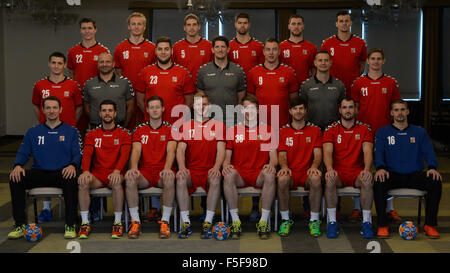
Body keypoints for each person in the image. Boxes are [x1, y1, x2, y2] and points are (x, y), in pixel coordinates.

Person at [8, 96, 81, 240]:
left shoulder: (71, 131)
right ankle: (20, 224)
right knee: (15, 179)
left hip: (62, 173)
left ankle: (70, 225)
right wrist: (17, 165)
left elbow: (78, 154)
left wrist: (73, 165)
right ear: (43, 110)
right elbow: (23, 152)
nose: (52, 111)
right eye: (48, 108)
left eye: (55, 107)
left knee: (72, 178)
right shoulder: (33, 132)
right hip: (40, 172)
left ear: (60, 110)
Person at [374, 100, 443, 238]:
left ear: (408, 112)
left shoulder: (419, 132)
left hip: (414, 175)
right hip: (392, 175)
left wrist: (432, 167)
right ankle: (382, 225)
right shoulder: (383, 132)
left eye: (402, 109)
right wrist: (380, 168)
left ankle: (430, 225)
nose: (400, 113)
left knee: (435, 181)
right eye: (396, 110)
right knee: (378, 182)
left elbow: (429, 151)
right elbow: (379, 153)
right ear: (391, 113)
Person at [350, 48, 402, 223]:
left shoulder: (390, 83)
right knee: (360, 169)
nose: (375, 62)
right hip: (363, 133)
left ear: (384, 61)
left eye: (379, 58)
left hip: (385, 133)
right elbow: (354, 110)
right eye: (372, 58)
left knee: (386, 169)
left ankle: (390, 209)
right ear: (368, 61)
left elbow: (396, 109)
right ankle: (357, 208)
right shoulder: (358, 83)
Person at [32, 52, 83, 223]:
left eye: (59, 63)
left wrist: (70, 124)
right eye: (53, 62)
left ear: (64, 65)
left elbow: (78, 108)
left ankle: (72, 209)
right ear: (49, 64)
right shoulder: (39, 85)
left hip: (67, 134)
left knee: (70, 168)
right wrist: (42, 122)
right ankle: (46, 209)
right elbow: (35, 105)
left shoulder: (73, 85)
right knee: (44, 167)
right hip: (46, 133)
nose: (56, 66)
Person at [222, 94, 278, 239]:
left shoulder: (268, 130)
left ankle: (263, 222)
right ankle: (235, 221)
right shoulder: (233, 130)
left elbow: (273, 158)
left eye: (252, 108)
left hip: (259, 173)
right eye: (246, 108)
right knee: (228, 174)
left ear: (258, 111)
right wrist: (226, 165)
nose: (249, 111)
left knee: (270, 174)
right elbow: (227, 157)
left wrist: (271, 165)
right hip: (240, 174)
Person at [175, 91, 226, 239]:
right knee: (180, 178)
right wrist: (182, 167)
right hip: (192, 171)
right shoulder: (186, 126)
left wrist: (216, 167)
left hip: (209, 170)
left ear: (209, 106)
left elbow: (221, 150)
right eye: (198, 104)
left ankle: (207, 223)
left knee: (216, 178)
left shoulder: (218, 125)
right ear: (193, 107)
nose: (201, 107)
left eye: (204, 104)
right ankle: (186, 223)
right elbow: (180, 150)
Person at [77, 100, 131, 239]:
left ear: (115, 113)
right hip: (98, 175)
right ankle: (84, 223)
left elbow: (124, 156)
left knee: (117, 182)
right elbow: (87, 154)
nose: (107, 113)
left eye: (110, 110)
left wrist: (117, 171)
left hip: (115, 172)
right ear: (100, 113)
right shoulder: (92, 134)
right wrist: (86, 171)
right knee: (83, 181)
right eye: (104, 111)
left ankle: (118, 222)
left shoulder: (123, 133)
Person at [124, 96, 177, 239]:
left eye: (157, 107)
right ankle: (135, 222)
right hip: (146, 172)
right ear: (146, 110)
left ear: (163, 109)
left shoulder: (170, 129)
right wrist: (134, 168)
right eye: (151, 107)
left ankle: (165, 222)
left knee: (169, 178)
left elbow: (171, 151)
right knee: (130, 178)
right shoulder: (140, 129)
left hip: (162, 171)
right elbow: (136, 151)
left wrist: (167, 169)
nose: (154, 110)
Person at [322, 97, 374, 239]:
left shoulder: (364, 128)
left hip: (357, 172)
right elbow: (327, 151)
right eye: (344, 107)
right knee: (330, 179)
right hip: (339, 172)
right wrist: (329, 169)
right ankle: (332, 221)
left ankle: (366, 222)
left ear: (355, 109)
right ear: (339, 110)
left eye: (351, 107)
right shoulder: (331, 129)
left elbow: (368, 151)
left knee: (368, 181)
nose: (348, 110)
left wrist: (367, 169)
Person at [277, 97, 323, 237]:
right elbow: (281, 155)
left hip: (307, 172)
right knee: (282, 179)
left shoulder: (314, 130)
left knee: (316, 178)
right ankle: (285, 219)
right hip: (291, 172)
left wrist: (314, 166)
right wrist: (284, 167)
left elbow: (318, 154)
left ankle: (314, 220)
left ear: (305, 111)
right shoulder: (283, 131)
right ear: (290, 111)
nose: (298, 111)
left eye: (301, 108)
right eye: (295, 108)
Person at [136, 36, 195, 125]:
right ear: (155, 51)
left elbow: (189, 101)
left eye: (166, 49)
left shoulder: (183, 72)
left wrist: (181, 119)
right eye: (160, 49)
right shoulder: (145, 72)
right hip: (153, 124)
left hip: (177, 124)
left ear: (171, 51)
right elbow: (140, 100)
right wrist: (150, 116)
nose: (163, 52)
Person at [67, 17, 110, 134]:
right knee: (78, 128)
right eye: (84, 28)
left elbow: (108, 73)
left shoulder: (103, 51)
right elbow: (72, 74)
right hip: (79, 96)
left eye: (90, 28)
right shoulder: (73, 51)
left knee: (98, 128)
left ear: (95, 30)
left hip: (97, 95)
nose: (87, 31)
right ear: (80, 31)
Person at [247, 38, 299, 128]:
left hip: (283, 124)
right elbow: (250, 102)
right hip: (259, 124)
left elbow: (294, 101)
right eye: (268, 49)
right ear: (263, 52)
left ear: (279, 52)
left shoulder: (289, 72)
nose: (271, 53)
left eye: (274, 49)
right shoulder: (253, 72)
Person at [196, 35, 247, 127]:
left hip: (232, 120)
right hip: (209, 120)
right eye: (217, 47)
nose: (220, 50)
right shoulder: (203, 70)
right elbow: (200, 97)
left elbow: (241, 98)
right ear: (212, 50)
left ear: (228, 49)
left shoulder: (237, 70)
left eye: (223, 47)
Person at [321, 10, 367, 96]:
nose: (344, 23)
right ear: (336, 24)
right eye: (341, 21)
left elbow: (362, 66)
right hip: (332, 86)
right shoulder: (327, 43)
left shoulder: (360, 43)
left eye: (346, 21)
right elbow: (322, 65)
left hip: (352, 86)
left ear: (351, 23)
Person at [83, 52, 134, 128]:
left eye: (108, 62)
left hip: (119, 126)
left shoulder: (124, 82)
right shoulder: (89, 84)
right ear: (98, 64)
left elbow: (130, 106)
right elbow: (86, 107)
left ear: (113, 64)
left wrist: (125, 126)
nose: (104, 64)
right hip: (96, 127)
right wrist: (96, 120)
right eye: (101, 62)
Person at [299, 50, 346, 131]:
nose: (323, 63)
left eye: (326, 60)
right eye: (320, 60)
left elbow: (343, 109)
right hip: (311, 130)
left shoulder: (339, 85)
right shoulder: (306, 85)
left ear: (331, 62)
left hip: (334, 129)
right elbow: (301, 109)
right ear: (315, 63)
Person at [172, 13, 213, 84]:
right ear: (184, 28)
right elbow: (172, 69)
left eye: (194, 25)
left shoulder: (209, 45)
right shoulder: (177, 46)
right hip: (183, 86)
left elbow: (214, 68)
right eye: (188, 25)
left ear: (199, 27)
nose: (191, 28)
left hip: (204, 86)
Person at [279, 14, 317, 85]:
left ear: (303, 26)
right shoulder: (280, 47)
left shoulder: (312, 47)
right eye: (293, 24)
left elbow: (314, 69)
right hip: (286, 86)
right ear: (289, 26)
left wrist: (311, 84)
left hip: (305, 87)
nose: (296, 27)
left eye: (299, 24)